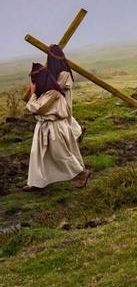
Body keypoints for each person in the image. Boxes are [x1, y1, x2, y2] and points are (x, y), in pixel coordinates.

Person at [23, 63, 90, 191]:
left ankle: (82, 172)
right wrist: (34, 96)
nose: (34, 83)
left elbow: (37, 108)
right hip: (42, 126)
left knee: (60, 154)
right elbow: (32, 109)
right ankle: (37, 182)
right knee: (37, 155)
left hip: (54, 127)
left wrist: (32, 94)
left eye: (35, 80)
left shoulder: (52, 92)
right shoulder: (44, 92)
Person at [45, 44, 83, 142]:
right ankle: (77, 133)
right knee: (63, 118)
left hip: (64, 99)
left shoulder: (64, 73)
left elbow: (56, 88)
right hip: (57, 99)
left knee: (66, 117)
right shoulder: (55, 72)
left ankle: (75, 136)